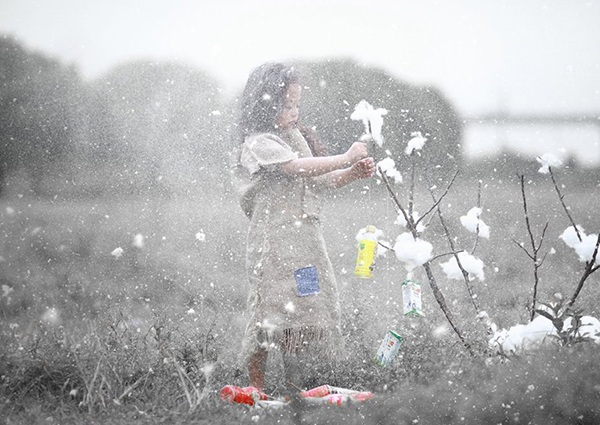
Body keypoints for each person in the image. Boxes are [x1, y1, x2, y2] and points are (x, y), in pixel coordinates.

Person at [233, 62, 375, 395]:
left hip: (305, 247)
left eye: (297, 104)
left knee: (299, 312)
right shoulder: (259, 142)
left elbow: (320, 181)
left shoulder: (293, 138)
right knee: (268, 311)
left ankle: (293, 390)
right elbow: (296, 168)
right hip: (274, 248)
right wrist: (344, 157)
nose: (294, 112)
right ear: (264, 106)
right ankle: (257, 386)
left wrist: (352, 172)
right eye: (286, 105)